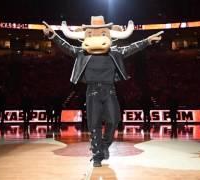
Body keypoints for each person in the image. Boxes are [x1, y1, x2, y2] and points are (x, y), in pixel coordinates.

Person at [43, 16, 163, 167]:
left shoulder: (115, 52)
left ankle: (104, 145)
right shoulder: (82, 53)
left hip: (109, 90)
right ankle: (97, 155)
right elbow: (66, 47)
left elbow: (132, 47)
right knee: (94, 124)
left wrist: (147, 41)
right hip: (92, 91)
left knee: (113, 120)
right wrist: (53, 35)